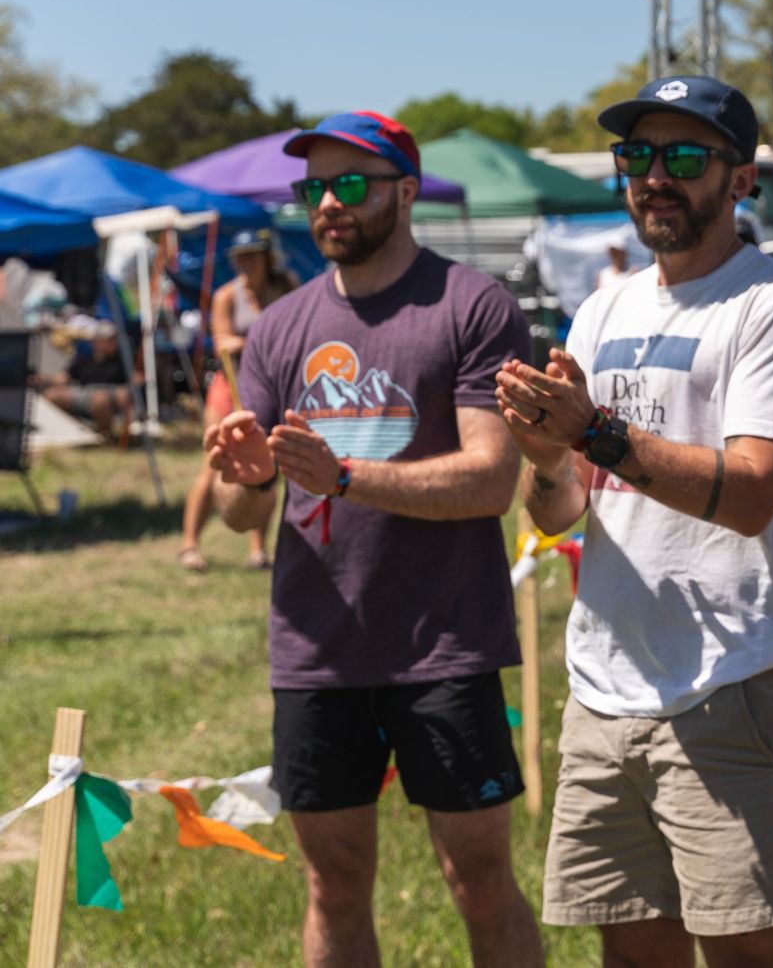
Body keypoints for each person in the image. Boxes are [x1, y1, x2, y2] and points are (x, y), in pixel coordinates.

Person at [498, 74, 773, 968]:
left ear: (741, 178)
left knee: (746, 954)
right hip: (606, 687)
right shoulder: (604, 308)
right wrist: (542, 457)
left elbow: (753, 491)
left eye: (684, 156)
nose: (655, 175)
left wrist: (596, 431)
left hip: (733, 680)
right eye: (637, 156)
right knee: (633, 952)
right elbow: (565, 504)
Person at [202, 111, 543, 968]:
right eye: (312, 188)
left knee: (479, 878)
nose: (328, 204)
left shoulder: (472, 305)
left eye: (348, 184)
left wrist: (346, 477)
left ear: (405, 189)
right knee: (334, 882)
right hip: (318, 649)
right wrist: (243, 481)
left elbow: (491, 479)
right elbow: (247, 516)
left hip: (447, 643)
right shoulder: (278, 328)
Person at [179, 229, 296, 573]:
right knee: (212, 463)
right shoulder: (227, 295)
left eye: (251, 255)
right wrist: (259, 344)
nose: (245, 262)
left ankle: (257, 549)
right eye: (239, 256)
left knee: (265, 465)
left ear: (266, 256)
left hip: (271, 386)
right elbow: (222, 342)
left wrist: (248, 343)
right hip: (230, 386)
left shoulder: (285, 286)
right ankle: (189, 544)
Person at [34, 322, 133, 444]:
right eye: (108, 340)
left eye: (114, 340)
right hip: (83, 394)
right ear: (96, 342)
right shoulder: (83, 360)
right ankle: (80, 429)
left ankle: (106, 438)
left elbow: (131, 383)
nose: (113, 343)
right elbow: (62, 379)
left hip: (109, 395)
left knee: (99, 399)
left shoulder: (123, 361)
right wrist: (43, 379)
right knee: (51, 396)